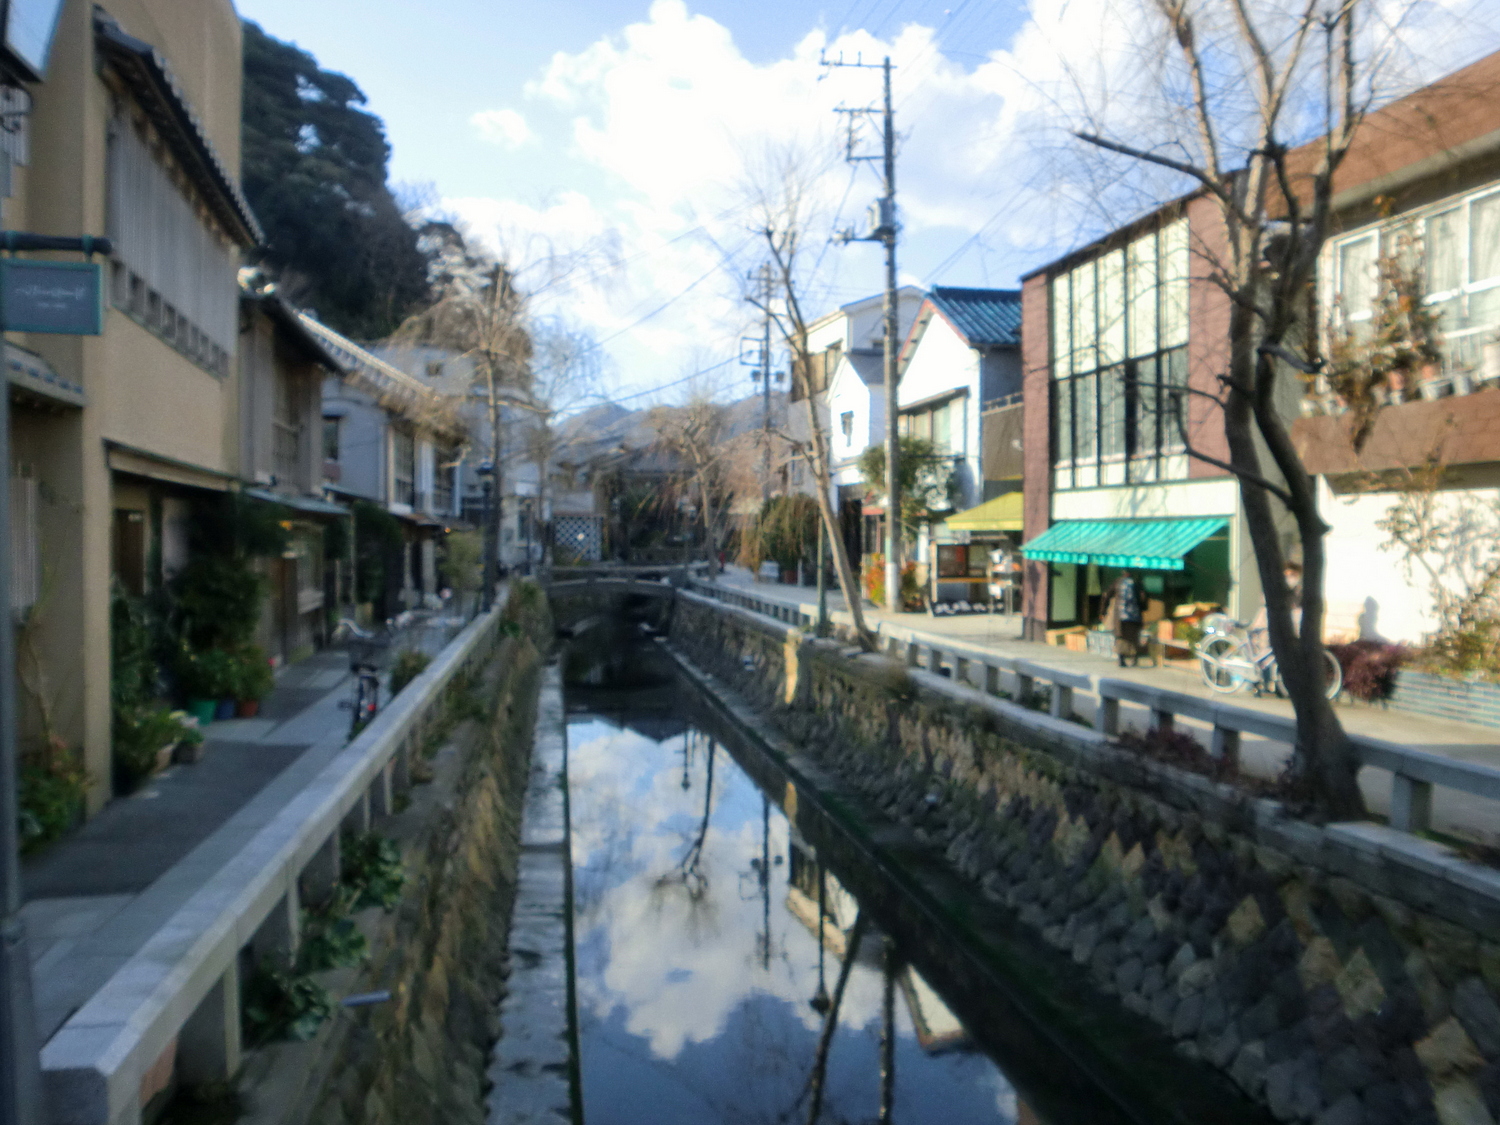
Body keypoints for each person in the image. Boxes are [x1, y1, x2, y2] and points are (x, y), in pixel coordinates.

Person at [1102, 572, 1144, 667]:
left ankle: (1121, 659)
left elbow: (1107, 596)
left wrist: (1103, 611)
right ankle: (1134, 659)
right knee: (1133, 637)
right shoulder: (1136, 583)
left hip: (1120, 616)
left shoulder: (1118, 582)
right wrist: (1141, 610)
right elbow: (1142, 599)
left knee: (1121, 637)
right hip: (1134, 616)